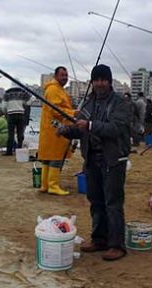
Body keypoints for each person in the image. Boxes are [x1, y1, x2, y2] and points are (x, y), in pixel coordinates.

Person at [57, 64, 131, 261]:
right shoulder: (88, 103)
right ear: (92, 82)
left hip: (113, 159)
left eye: (103, 80)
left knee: (113, 203)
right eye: (96, 80)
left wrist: (89, 125)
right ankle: (99, 239)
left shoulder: (120, 103)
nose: (99, 83)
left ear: (109, 81)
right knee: (95, 201)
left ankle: (117, 245)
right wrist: (66, 131)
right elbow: (80, 128)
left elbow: (115, 128)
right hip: (91, 159)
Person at [37, 66, 75, 195]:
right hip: (55, 128)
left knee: (48, 157)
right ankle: (53, 185)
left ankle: (45, 185)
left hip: (50, 127)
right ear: (56, 76)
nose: (65, 77)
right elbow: (56, 110)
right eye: (62, 75)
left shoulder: (57, 89)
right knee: (56, 157)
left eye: (66, 75)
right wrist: (73, 113)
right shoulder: (53, 89)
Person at [2, 86, 32, 155]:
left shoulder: (7, 93)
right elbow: (32, 98)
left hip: (11, 114)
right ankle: (19, 150)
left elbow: (4, 106)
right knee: (20, 133)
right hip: (21, 114)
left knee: (11, 134)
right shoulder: (22, 92)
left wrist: (6, 112)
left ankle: (9, 151)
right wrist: (25, 104)